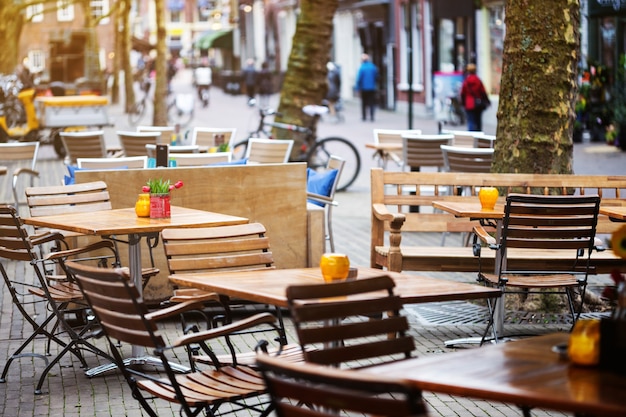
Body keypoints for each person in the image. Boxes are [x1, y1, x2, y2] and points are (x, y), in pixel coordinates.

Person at [460, 63, 490, 131]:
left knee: (470, 120)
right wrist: (487, 101)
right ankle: (478, 136)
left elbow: (462, 93)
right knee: (478, 121)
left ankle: (471, 136)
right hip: (478, 104)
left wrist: (463, 103)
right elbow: (483, 92)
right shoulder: (478, 80)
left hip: (469, 104)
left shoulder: (466, 81)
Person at [355, 53, 379, 121]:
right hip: (372, 88)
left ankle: (364, 116)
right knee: (371, 102)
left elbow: (359, 79)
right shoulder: (373, 67)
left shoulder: (362, 68)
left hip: (364, 88)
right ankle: (372, 116)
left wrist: (357, 88)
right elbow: (376, 77)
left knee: (364, 103)